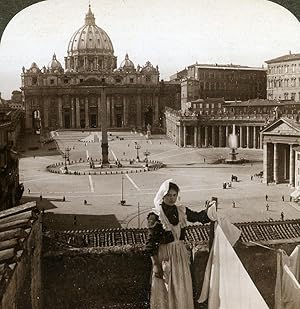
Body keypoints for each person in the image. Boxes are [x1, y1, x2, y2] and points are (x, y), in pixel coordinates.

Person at [145, 179, 212, 309]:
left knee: (181, 285)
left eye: (174, 195)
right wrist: (156, 265)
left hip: (180, 256)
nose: (171, 198)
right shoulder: (156, 215)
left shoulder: (181, 210)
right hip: (165, 255)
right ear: (163, 196)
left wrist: (210, 209)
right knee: (167, 288)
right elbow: (150, 244)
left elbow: (200, 217)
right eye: (168, 195)